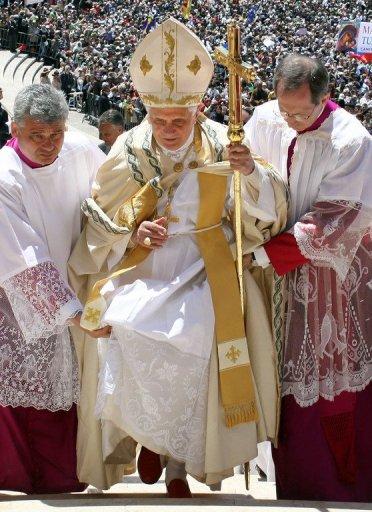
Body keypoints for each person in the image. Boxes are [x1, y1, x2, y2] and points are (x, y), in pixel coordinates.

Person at [69, 17, 287, 496]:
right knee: (125, 333)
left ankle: (179, 463)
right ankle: (147, 440)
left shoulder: (223, 141)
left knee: (199, 344)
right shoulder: (130, 147)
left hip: (202, 266)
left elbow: (264, 212)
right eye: (159, 121)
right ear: (145, 112)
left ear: (198, 109)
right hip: (144, 263)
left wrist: (248, 174)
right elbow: (100, 218)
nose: (168, 131)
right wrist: (132, 231)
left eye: (179, 121)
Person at [244, 54, 372, 502]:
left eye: (303, 113)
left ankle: (341, 486)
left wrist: (265, 253)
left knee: (326, 373)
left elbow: (334, 219)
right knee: (274, 371)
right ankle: (291, 485)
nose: (292, 121)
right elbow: (252, 176)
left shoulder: (351, 140)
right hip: (271, 271)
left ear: (326, 98)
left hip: (330, 277)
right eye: (286, 111)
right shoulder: (266, 118)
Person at [0, 84, 108, 494]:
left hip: (74, 289)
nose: (49, 145)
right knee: (24, 391)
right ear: (15, 129)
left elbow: (115, 191)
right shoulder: (5, 175)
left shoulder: (79, 150)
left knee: (67, 392)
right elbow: (24, 259)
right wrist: (74, 314)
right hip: (17, 301)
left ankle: (63, 476)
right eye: (36, 136)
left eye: (56, 134)